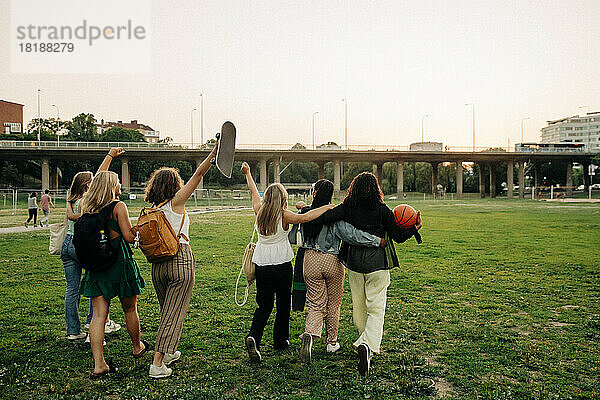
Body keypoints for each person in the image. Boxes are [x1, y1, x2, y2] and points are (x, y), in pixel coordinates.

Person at [307, 172, 422, 376]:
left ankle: (364, 341)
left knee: (359, 306)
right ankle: (367, 345)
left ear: (354, 189)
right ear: (376, 190)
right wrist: (413, 228)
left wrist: (308, 212)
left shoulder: (347, 208)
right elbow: (397, 236)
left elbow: (324, 218)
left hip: (354, 264)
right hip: (378, 264)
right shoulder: (382, 211)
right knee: (376, 308)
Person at [240, 162, 335, 363]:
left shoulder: (259, 211)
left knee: (264, 305)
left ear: (266, 198)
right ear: (283, 199)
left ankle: (254, 337)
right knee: (283, 304)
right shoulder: (284, 216)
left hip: (262, 265)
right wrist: (326, 207)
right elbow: (308, 217)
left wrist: (248, 173)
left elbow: (252, 191)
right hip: (282, 265)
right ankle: (280, 340)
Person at [142, 142, 219, 379]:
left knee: (167, 310)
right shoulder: (176, 203)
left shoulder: (153, 209)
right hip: (179, 261)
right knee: (173, 314)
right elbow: (198, 174)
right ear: (174, 186)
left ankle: (170, 351)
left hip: (157, 266)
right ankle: (157, 364)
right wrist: (214, 153)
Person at [295, 179, 387, 364]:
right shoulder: (334, 215)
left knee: (315, 302)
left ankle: (311, 335)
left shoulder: (306, 214)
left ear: (314, 193)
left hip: (310, 260)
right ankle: (332, 342)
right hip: (332, 261)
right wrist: (376, 241)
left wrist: (305, 207)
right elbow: (352, 235)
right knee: (334, 303)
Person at [79, 169, 146, 378]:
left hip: (97, 267)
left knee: (99, 316)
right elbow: (127, 236)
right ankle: (137, 346)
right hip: (119, 263)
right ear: (111, 186)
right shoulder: (118, 206)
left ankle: (99, 363)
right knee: (129, 308)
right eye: (117, 183)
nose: (120, 186)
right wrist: (140, 233)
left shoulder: (86, 207)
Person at [62, 148, 124, 341]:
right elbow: (99, 177)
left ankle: (73, 330)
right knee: (93, 282)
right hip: (84, 245)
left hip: (67, 244)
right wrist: (110, 156)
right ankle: (93, 321)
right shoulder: (90, 199)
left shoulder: (71, 199)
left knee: (71, 289)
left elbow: (71, 216)